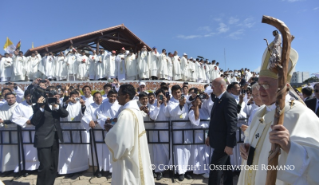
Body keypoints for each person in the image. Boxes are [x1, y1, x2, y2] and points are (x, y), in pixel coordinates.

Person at [238, 39, 319, 184]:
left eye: (266, 85)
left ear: (285, 86)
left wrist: (289, 147)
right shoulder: (259, 113)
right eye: (259, 84)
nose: (260, 90)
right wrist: (245, 147)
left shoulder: (302, 115)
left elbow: (316, 162)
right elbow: (252, 142)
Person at [104, 84, 155, 185]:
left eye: (119, 95)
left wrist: (110, 131)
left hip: (128, 159)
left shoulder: (126, 114)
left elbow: (120, 142)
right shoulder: (135, 111)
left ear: (126, 96)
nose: (117, 97)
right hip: (136, 152)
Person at [30, 87, 68, 185]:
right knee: (45, 166)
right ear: (46, 95)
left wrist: (57, 105)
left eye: (54, 95)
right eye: (50, 95)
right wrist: (41, 107)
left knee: (53, 166)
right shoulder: (38, 106)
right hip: (43, 139)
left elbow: (65, 114)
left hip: (55, 138)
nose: (52, 97)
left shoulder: (55, 106)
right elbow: (34, 121)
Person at [205, 77, 237, 185]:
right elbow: (214, 121)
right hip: (218, 141)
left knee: (215, 169)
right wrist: (209, 135)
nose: (212, 88)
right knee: (226, 168)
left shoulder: (228, 99)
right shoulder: (218, 99)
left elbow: (232, 123)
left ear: (221, 86)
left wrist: (229, 144)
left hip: (223, 143)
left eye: (213, 86)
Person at [59, 90, 88, 175]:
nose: (74, 97)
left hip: (78, 129)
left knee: (79, 150)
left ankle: (80, 168)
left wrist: (83, 105)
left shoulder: (81, 104)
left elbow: (85, 115)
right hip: (67, 129)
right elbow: (61, 114)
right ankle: (68, 169)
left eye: (76, 95)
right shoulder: (65, 104)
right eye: (72, 95)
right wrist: (66, 103)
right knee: (67, 150)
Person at [167, 85, 192, 181]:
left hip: (187, 128)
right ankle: (180, 171)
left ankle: (188, 170)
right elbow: (173, 113)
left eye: (178, 92)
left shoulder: (185, 100)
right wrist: (180, 105)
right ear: (172, 93)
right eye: (175, 93)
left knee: (187, 149)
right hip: (177, 130)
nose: (177, 94)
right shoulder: (171, 103)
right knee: (178, 151)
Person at [96, 89, 121, 178]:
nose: (113, 98)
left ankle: (114, 170)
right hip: (106, 129)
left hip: (117, 130)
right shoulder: (103, 105)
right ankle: (106, 170)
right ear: (107, 96)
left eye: (115, 96)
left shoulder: (119, 105)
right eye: (111, 96)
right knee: (107, 151)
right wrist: (106, 121)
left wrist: (113, 123)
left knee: (115, 150)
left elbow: (121, 117)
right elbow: (98, 115)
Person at [189, 93, 213, 179]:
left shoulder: (205, 109)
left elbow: (211, 109)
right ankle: (201, 170)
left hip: (208, 133)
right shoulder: (191, 110)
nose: (199, 101)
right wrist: (196, 106)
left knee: (208, 152)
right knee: (200, 152)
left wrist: (208, 98)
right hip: (199, 133)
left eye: (200, 100)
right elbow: (196, 119)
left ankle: (209, 169)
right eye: (197, 100)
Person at [149, 89, 170, 180]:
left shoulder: (168, 105)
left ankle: (170, 169)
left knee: (168, 151)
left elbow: (169, 115)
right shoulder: (153, 105)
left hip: (167, 131)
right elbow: (153, 117)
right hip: (157, 130)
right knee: (159, 152)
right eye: (159, 96)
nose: (160, 98)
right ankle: (159, 170)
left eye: (162, 96)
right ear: (156, 97)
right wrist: (157, 106)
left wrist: (165, 104)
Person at [81, 92, 103, 177]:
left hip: (105, 130)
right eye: (96, 97)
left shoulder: (105, 105)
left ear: (102, 98)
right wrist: (90, 120)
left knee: (106, 150)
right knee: (96, 151)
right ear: (93, 99)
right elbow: (86, 115)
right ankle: (99, 168)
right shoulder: (90, 106)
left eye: (99, 97)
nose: (98, 99)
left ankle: (108, 169)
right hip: (96, 131)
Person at [0, 93, 19, 173]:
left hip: (16, 130)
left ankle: (17, 168)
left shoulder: (19, 106)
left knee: (16, 150)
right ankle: (6, 169)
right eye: (8, 98)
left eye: (12, 97)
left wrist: (4, 121)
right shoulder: (2, 107)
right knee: (5, 149)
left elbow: (17, 118)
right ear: (5, 99)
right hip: (5, 130)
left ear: (15, 98)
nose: (10, 99)